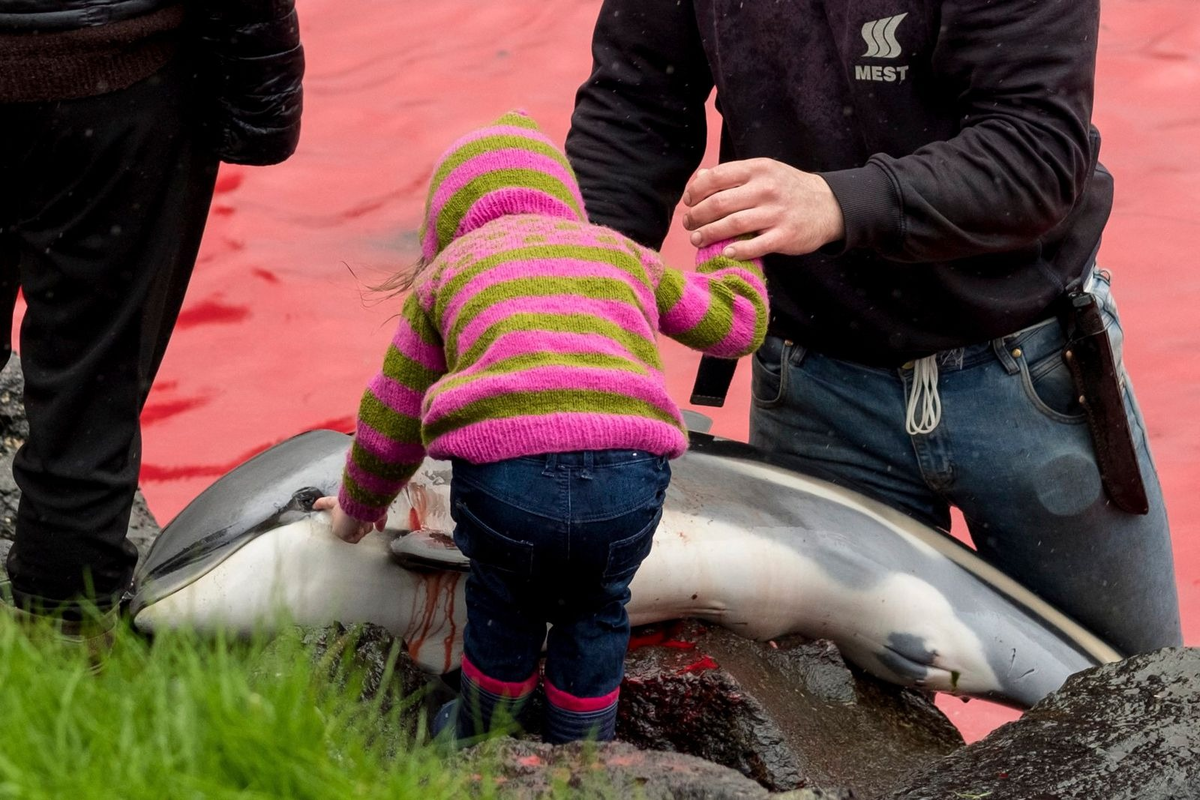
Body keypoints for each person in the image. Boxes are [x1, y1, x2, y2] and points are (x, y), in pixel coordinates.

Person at [566, 0, 1182, 656]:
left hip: (1033, 377)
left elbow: (1036, 152)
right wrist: (569, 305)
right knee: (837, 722)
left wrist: (837, 202)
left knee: (1145, 697)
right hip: (815, 387)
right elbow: (636, 103)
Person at [315, 111, 768, 744]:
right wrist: (723, 241)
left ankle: (481, 739)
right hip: (628, 477)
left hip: (509, 481)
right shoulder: (619, 253)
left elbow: (391, 422)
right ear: (563, 201)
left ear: (445, 226)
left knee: (505, 602)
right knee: (598, 606)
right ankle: (582, 753)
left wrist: (355, 514)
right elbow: (734, 323)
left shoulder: (449, 275)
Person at [0, 0, 304, 645]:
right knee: (92, 383)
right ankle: (63, 641)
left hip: (103, 79)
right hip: (110, 83)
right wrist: (263, 109)